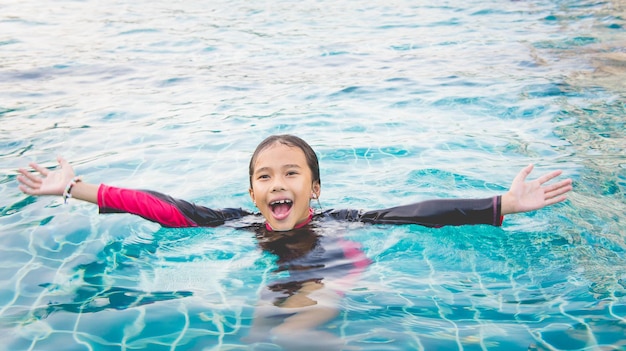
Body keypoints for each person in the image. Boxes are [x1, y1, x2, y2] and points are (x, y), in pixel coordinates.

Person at [16, 134, 573, 348]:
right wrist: (76, 189)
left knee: (275, 335)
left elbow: (418, 213)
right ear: (252, 191)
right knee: (263, 331)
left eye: (290, 174)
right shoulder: (234, 221)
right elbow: (162, 206)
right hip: (291, 277)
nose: (277, 184)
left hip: (338, 263)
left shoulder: (343, 219)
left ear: (314, 187)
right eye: (265, 176)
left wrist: (501, 204)